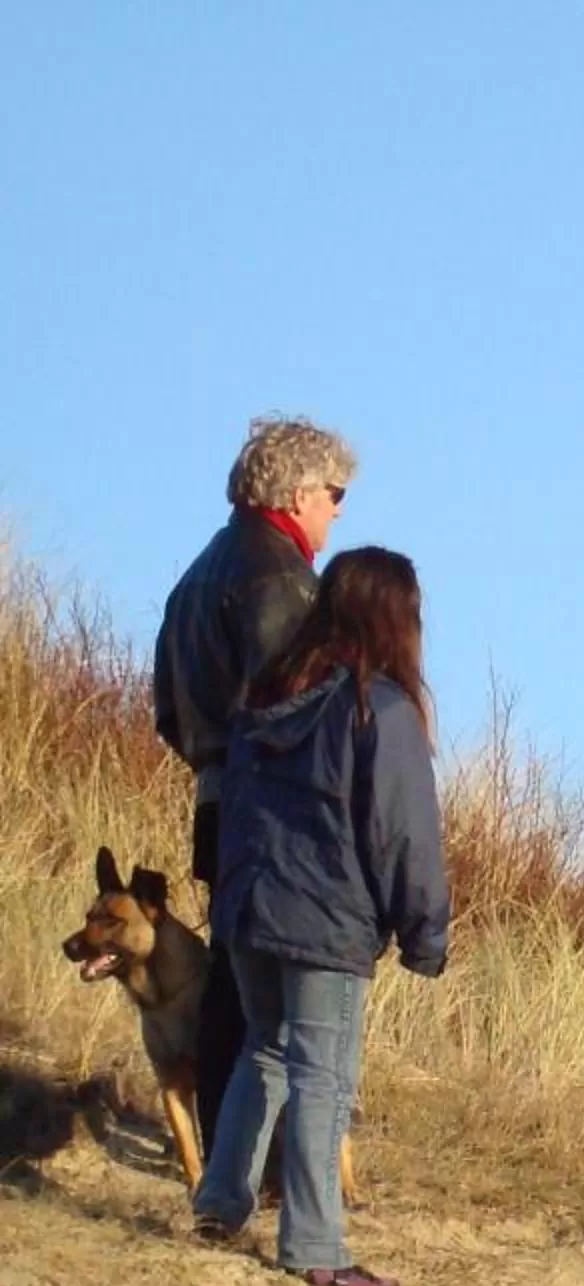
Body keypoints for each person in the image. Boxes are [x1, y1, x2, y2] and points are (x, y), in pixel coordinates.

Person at [190, 547, 449, 1286]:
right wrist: (426, 931)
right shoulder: (383, 711)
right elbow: (403, 832)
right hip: (323, 922)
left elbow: (236, 808)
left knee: (263, 1052)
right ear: (396, 617)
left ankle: (219, 1204)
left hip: (250, 910)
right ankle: (314, 1245)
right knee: (322, 1077)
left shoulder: (266, 698)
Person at [153, 415, 357, 1156]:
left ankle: (225, 1160)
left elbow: (167, 710)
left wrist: (214, 763)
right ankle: (266, 1165)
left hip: (217, 794)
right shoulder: (278, 576)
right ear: (299, 492)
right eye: (334, 492)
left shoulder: (197, 574)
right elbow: (296, 708)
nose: (338, 509)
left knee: (232, 982)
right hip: (270, 805)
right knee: (271, 991)